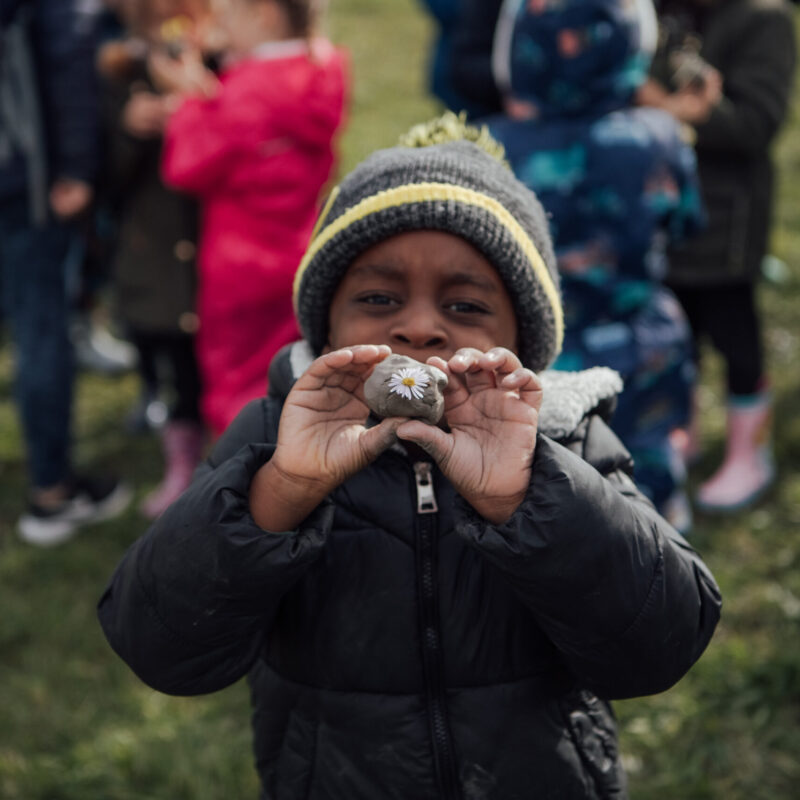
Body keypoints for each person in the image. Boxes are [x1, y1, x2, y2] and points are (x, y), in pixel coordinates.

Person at [98, 117, 721, 798]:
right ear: (326, 324)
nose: (421, 326)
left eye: (464, 303)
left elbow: (658, 648)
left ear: (522, 340)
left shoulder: (564, 440)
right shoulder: (273, 439)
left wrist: (527, 498)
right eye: (377, 298)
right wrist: (280, 493)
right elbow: (162, 647)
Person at [482, 0, 701, 529]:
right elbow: (687, 225)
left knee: (557, 473)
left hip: (541, 351)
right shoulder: (659, 136)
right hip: (644, 340)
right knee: (648, 457)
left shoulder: (495, 148)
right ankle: (664, 530)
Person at [149, 0, 349, 438]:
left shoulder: (244, 90)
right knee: (297, 364)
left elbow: (184, 166)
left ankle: (245, 468)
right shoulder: (325, 68)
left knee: (237, 376)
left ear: (265, 14)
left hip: (239, 262)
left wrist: (189, 100)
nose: (221, 29)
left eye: (229, 17)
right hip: (300, 245)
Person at [638, 0, 796, 511]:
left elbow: (756, 124)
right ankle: (683, 431)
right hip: (664, 216)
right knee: (676, 331)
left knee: (733, 330)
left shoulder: (764, 20)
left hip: (728, 218)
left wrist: (669, 111)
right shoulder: (662, 13)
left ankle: (748, 450)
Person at [0, 0, 132, 546]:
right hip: (22, 177)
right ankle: (53, 493)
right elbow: (68, 53)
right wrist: (76, 166)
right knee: (41, 329)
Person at [97, 0, 207, 519]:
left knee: (197, 357)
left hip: (208, 241)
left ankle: (208, 454)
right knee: (158, 341)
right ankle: (178, 452)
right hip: (149, 245)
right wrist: (129, 130)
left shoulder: (216, 64)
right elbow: (103, 180)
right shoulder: (119, 71)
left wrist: (200, 100)